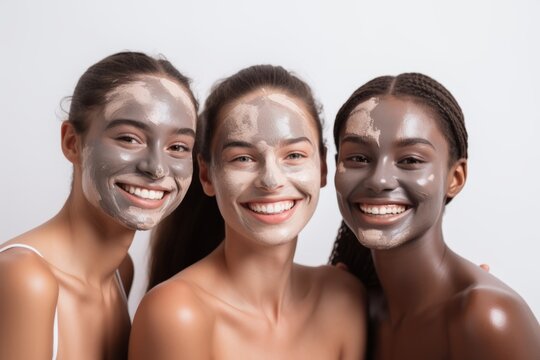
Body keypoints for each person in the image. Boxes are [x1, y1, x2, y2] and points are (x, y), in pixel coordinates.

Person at [130, 65, 366, 359]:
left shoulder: (345, 298)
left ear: (322, 168)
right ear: (206, 175)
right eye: (243, 158)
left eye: (293, 155)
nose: (271, 180)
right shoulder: (176, 314)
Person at [0, 51, 198, 359]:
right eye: (130, 138)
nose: (157, 168)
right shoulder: (24, 279)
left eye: (178, 147)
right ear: (72, 143)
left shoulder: (121, 271)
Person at [329, 73, 540, 359]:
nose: (379, 180)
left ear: (455, 177)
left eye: (411, 160)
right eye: (358, 158)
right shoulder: (353, 310)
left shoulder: (487, 318)